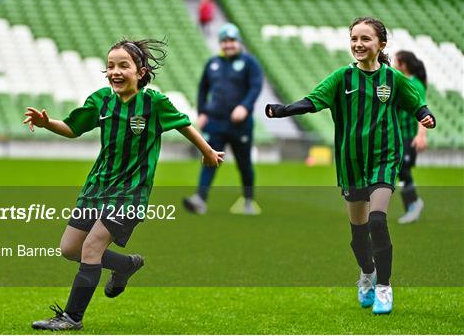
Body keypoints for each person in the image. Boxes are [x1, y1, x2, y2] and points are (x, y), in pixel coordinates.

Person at [24, 38, 224, 330]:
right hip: (97, 186)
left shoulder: (154, 102)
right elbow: (72, 128)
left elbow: (183, 123)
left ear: (140, 72)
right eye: (110, 66)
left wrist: (206, 151)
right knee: (69, 249)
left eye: (123, 66)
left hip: (130, 193)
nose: (115, 72)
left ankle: (71, 318)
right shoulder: (101, 100)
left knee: (92, 247)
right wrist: (47, 123)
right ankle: (125, 265)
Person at [266, 17, 436, 314]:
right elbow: (313, 100)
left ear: (381, 45)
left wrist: (425, 115)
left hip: (384, 158)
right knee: (358, 235)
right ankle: (367, 273)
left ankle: (384, 287)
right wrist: (283, 110)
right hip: (351, 163)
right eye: (354, 38)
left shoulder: (393, 78)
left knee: (377, 220)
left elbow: (415, 102)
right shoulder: (341, 78)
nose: (358, 44)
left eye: (365, 39)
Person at [183, 23, 263, 215]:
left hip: (240, 125)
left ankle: (248, 200)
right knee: (210, 160)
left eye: (232, 41)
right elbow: (203, 89)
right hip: (215, 123)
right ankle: (200, 199)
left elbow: (255, 87)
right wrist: (202, 112)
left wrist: (245, 106)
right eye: (225, 41)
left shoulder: (250, 63)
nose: (228, 45)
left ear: (239, 42)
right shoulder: (212, 63)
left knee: (244, 165)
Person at [393, 50, 428, 224]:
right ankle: (412, 206)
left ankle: (413, 204)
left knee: (403, 169)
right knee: (400, 170)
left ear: (403, 65)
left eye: (395, 62)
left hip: (409, 136)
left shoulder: (416, 85)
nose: (393, 65)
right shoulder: (400, 82)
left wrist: (421, 135)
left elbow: (422, 110)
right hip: (398, 135)